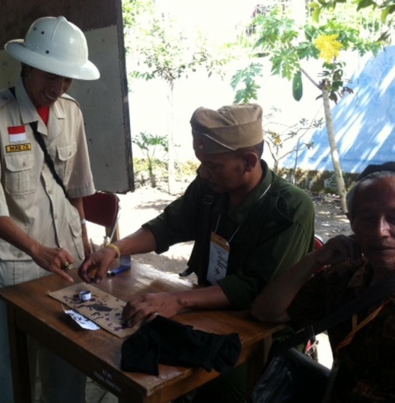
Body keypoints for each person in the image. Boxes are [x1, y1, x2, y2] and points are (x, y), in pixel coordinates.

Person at [79, 103, 315, 402]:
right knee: (137, 357)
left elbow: (255, 289)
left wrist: (177, 300)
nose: (203, 173)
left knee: (213, 385)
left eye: (213, 165)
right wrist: (114, 249)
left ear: (248, 160)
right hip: (206, 308)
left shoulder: (290, 208)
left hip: (262, 331)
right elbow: (168, 226)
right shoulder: (209, 189)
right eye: (201, 163)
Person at [0, 16, 99, 403]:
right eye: (50, 75)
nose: (57, 88)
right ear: (26, 65)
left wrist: (84, 238)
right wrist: (36, 250)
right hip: (17, 265)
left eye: (67, 79)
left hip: (68, 258)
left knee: (69, 355)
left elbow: (77, 184)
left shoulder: (70, 111)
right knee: (16, 361)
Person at [251, 162, 395, 403]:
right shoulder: (345, 277)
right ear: (351, 222)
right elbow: (267, 312)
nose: (380, 231)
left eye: (394, 218)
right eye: (368, 219)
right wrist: (315, 259)